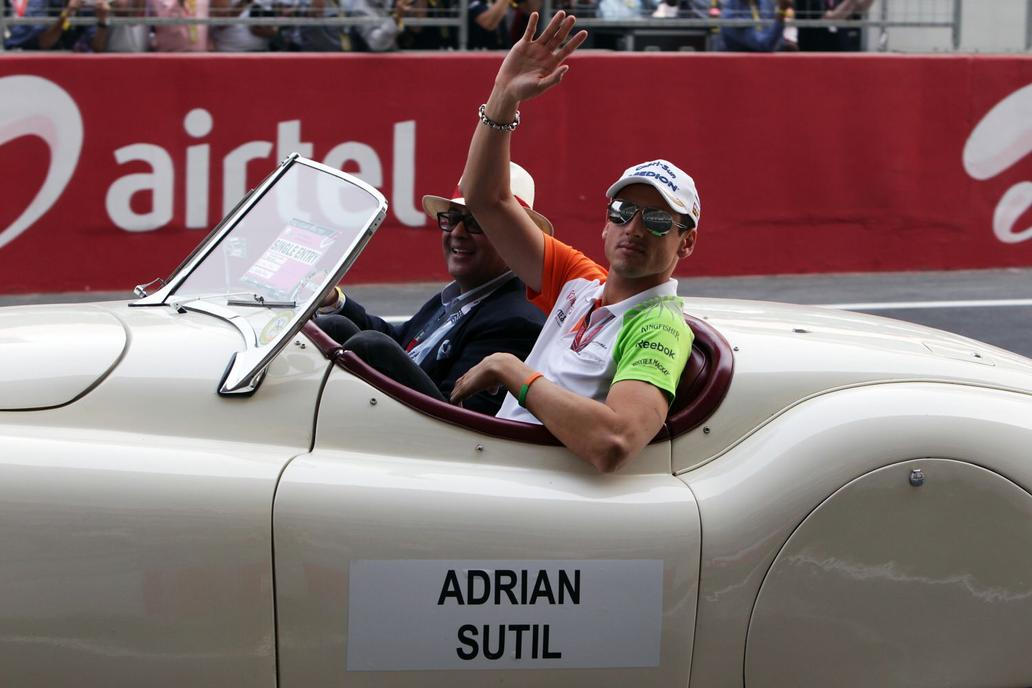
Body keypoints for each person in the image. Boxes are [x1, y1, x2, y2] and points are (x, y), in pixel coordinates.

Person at [450, 11, 699, 473]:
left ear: (686, 243)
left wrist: (513, 370)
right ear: (605, 225)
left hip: (532, 489)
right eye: (623, 213)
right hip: (499, 466)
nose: (636, 228)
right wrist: (503, 96)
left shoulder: (658, 326)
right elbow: (484, 197)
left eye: (660, 219)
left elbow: (614, 442)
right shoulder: (584, 283)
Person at [314, 162, 548, 415]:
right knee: (335, 327)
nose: (457, 232)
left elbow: (462, 422)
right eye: (453, 219)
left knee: (371, 345)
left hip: (428, 440)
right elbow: (402, 345)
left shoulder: (514, 321)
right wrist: (334, 301)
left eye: (476, 223)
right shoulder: (459, 296)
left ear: (515, 237)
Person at [716, 0, 793, 52]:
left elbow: (769, 32)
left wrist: (784, 45)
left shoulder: (765, 2)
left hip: (766, 66)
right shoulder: (732, 14)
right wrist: (782, 12)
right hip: (741, 69)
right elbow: (764, 46)